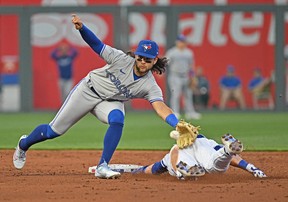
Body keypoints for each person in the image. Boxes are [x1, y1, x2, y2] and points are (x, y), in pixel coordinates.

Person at [13, 14, 181, 179]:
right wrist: (82, 29)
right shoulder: (120, 59)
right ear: (135, 56)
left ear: (154, 61)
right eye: (140, 57)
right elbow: (96, 44)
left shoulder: (150, 85)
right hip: (88, 90)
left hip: (110, 102)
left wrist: (177, 124)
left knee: (117, 119)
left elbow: (160, 107)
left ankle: (103, 165)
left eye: (148, 59)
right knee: (53, 131)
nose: (143, 62)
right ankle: (23, 144)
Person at [133, 131, 267, 180]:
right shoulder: (206, 141)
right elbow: (234, 159)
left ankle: (182, 172)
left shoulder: (177, 147)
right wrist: (250, 167)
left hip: (182, 158)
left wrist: (138, 170)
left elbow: (155, 169)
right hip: (206, 153)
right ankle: (226, 151)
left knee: (173, 157)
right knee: (216, 164)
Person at [166, 34, 201, 120]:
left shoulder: (189, 52)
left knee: (188, 95)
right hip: (175, 75)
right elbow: (165, 63)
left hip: (186, 76)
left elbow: (191, 65)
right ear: (177, 42)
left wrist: (193, 77)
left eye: (183, 41)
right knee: (176, 95)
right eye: (180, 41)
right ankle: (175, 112)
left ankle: (190, 112)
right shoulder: (172, 52)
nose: (182, 43)